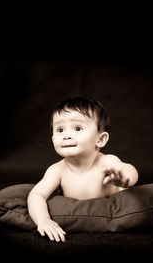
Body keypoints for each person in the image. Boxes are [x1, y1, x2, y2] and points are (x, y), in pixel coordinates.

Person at [27, 96, 139, 242]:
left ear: (100, 139)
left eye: (77, 128)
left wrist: (125, 179)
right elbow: (36, 195)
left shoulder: (106, 161)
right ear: (53, 138)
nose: (66, 135)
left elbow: (128, 169)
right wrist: (43, 220)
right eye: (60, 130)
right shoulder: (57, 170)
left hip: (112, 213)